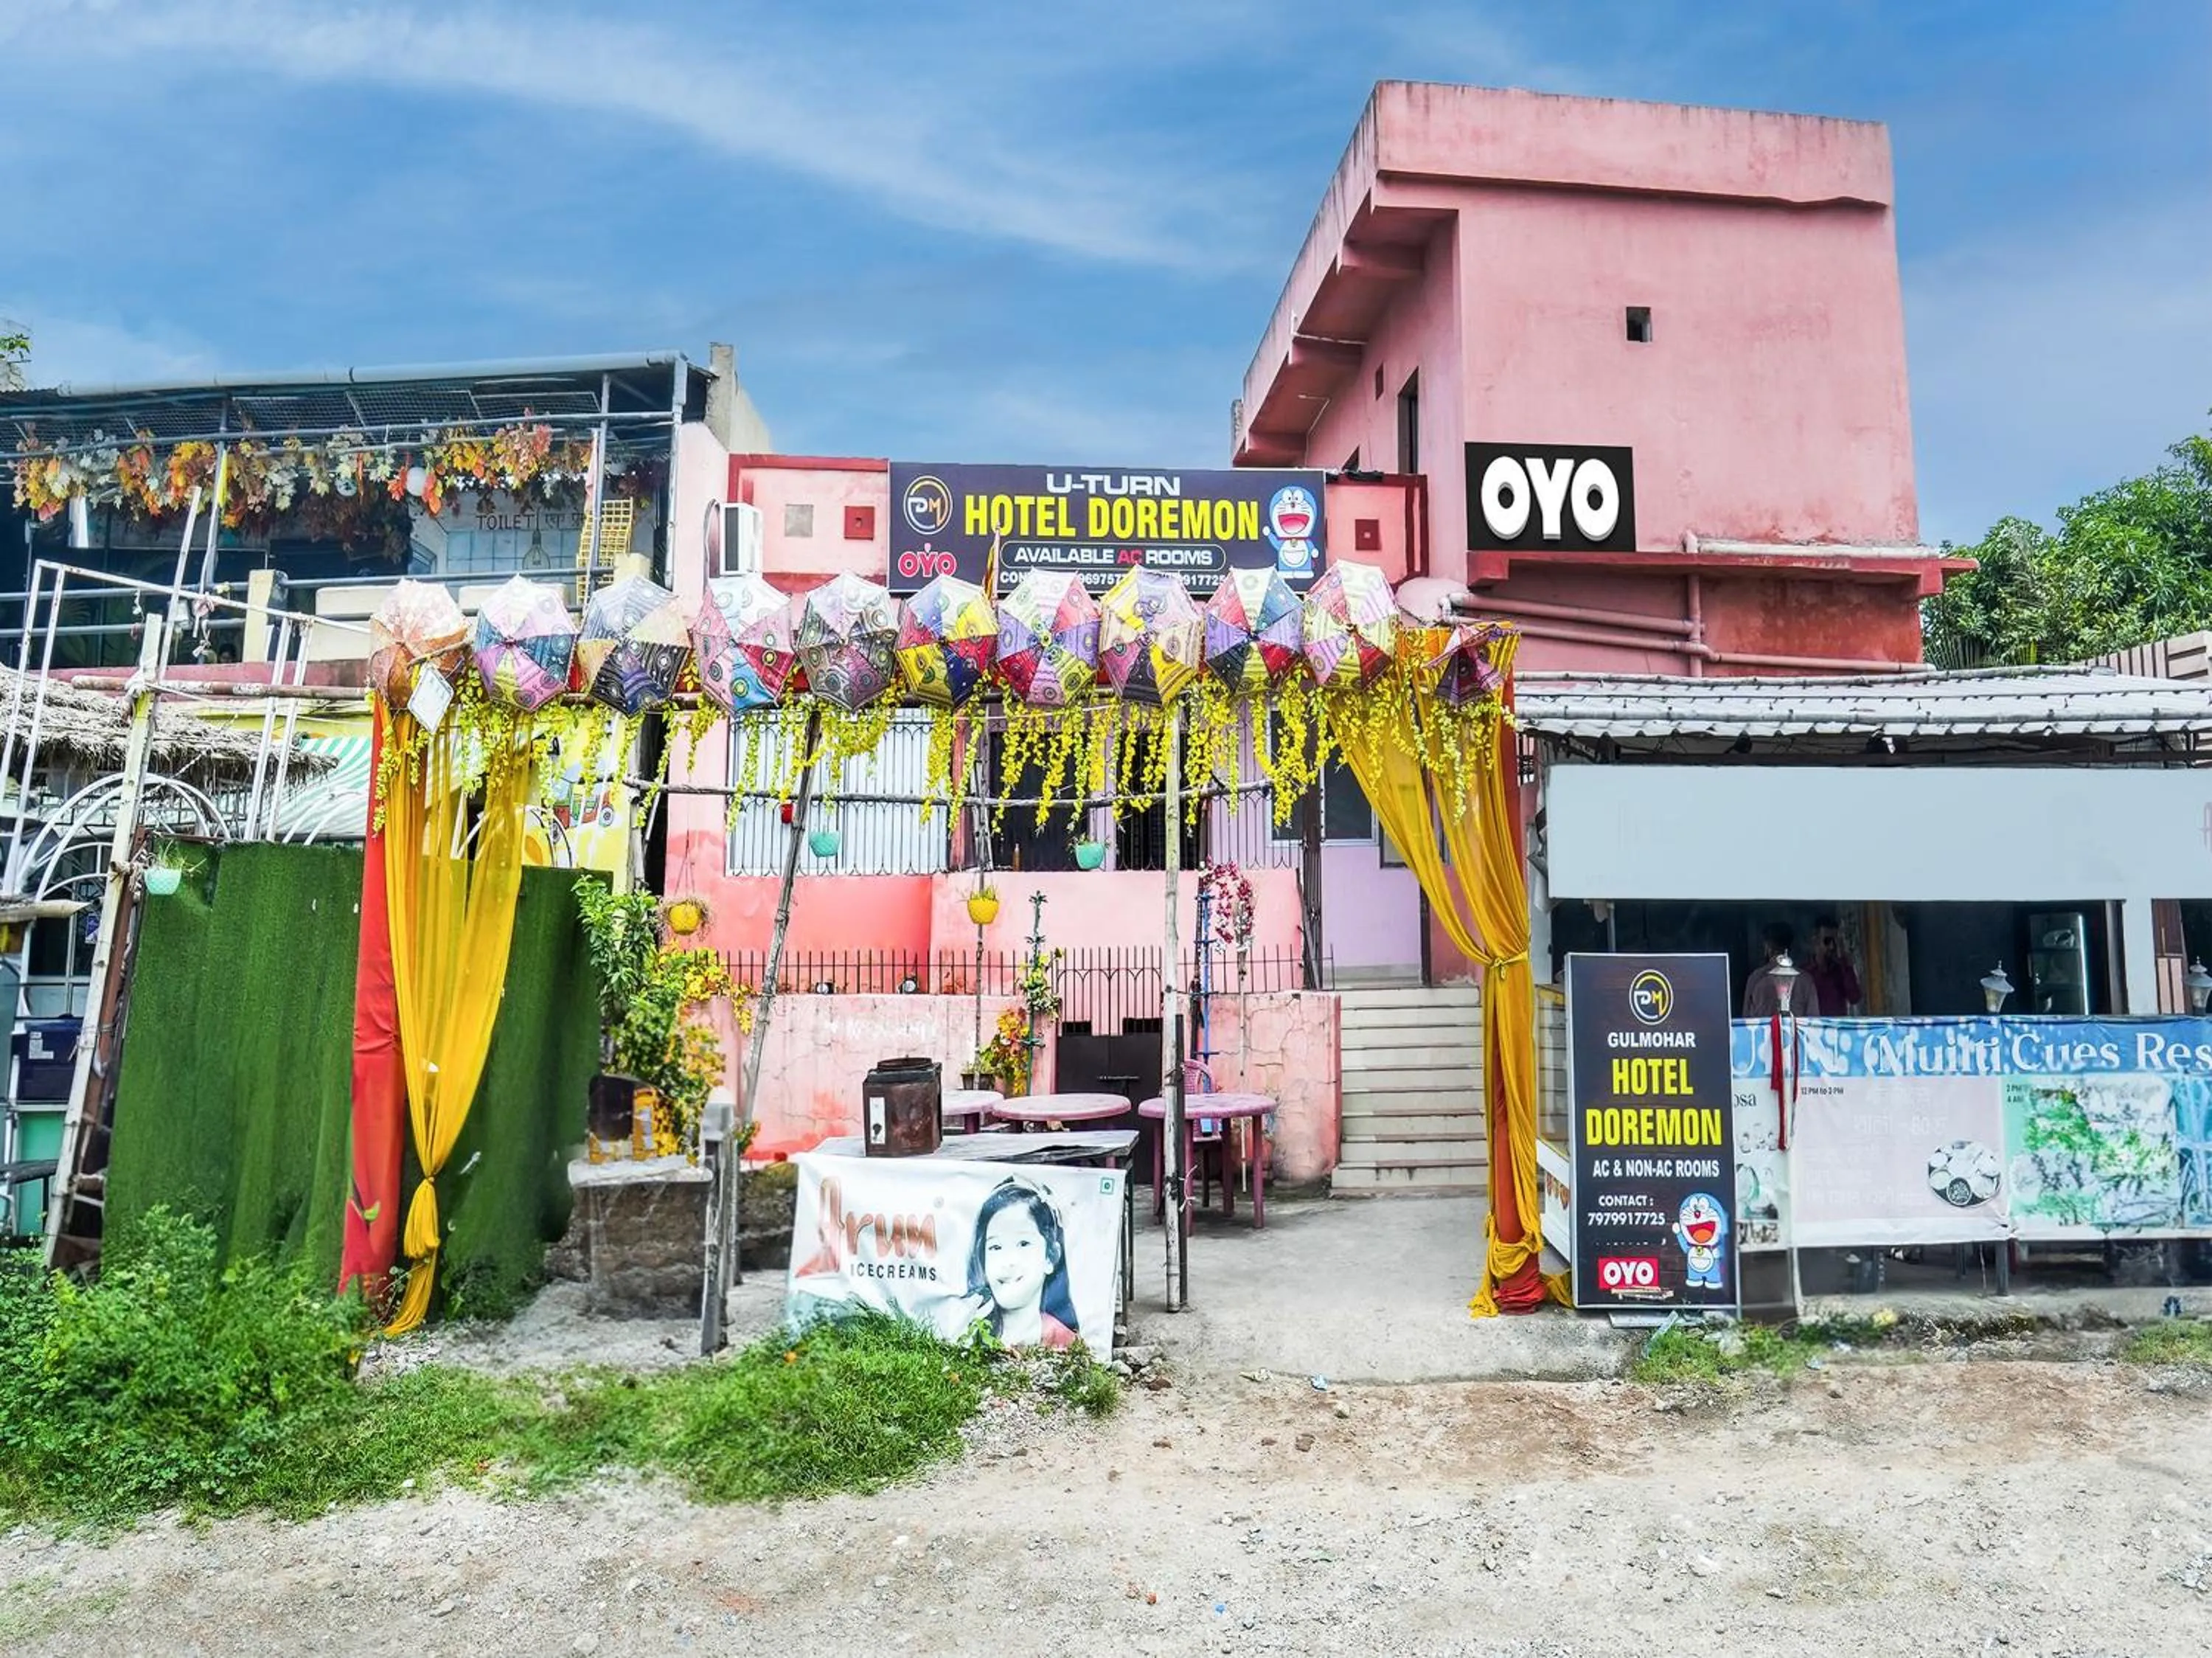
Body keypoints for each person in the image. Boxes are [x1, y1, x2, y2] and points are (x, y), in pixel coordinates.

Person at [964, 1178, 1080, 1350]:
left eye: (1024, 1244)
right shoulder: (964, 1334)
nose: (1009, 1261)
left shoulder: (1067, 1343)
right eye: (996, 1247)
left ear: (1051, 1256)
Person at [1742, 921, 1823, 1018]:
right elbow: (1813, 1021)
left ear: (1768, 947)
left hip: (1762, 1032)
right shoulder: (1806, 980)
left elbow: (1746, 1020)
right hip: (1796, 1032)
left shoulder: (1756, 979)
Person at [1806, 913, 1863, 1016]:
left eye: (1835, 941)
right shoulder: (1805, 974)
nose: (1832, 947)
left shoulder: (1840, 971)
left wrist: (1846, 964)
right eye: (1827, 941)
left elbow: (1854, 998)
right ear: (1816, 941)